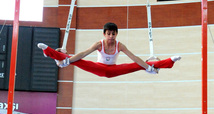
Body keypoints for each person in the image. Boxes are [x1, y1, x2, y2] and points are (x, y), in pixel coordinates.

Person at [37, 22, 181, 78]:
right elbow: (84, 53)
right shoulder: (99, 44)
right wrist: (69, 60)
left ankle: (169, 62)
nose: (111, 36)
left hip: (113, 70)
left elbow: (134, 58)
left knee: (138, 65)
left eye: (113, 34)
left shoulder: (120, 45)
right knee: (77, 59)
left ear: (116, 34)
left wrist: (148, 67)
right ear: (104, 34)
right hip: (99, 68)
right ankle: (50, 52)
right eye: (108, 34)